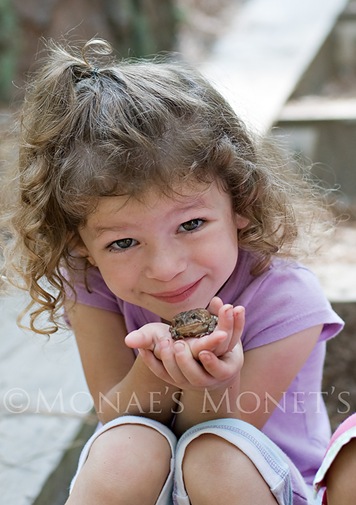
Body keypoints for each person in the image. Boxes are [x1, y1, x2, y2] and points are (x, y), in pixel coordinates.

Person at [1, 37, 351, 504]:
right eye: (123, 242)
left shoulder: (287, 299)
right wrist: (156, 370)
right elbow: (117, 415)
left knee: (209, 455)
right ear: (80, 245)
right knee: (127, 445)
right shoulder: (92, 284)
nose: (165, 269)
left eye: (190, 224)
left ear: (240, 203)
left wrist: (214, 378)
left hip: (255, 484)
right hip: (149, 482)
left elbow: (216, 444)